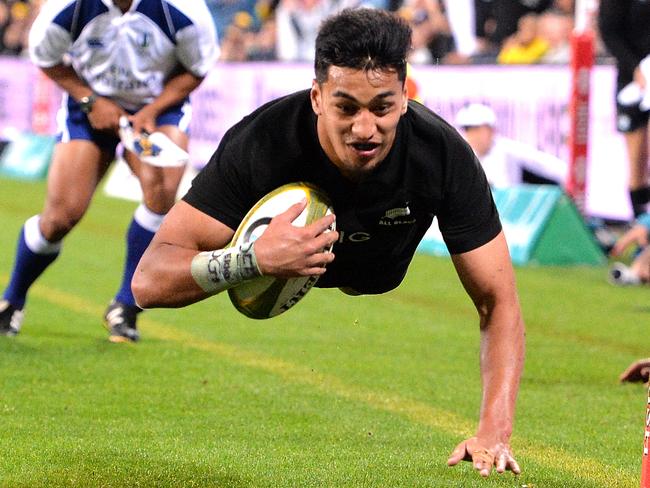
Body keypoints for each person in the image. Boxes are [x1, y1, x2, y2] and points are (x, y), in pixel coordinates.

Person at [133, 8, 526, 478]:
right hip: (277, 255)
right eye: (346, 107)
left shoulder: (441, 154)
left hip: (380, 269)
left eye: (382, 107)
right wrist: (251, 259)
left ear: (405, 97)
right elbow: (148, 282)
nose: (365, 129)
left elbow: (497, 301)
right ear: (317, 97)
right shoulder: (262, 142)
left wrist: (493, 432)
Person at [0, 0, 218, 342]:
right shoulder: (66, 8)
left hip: (158, 109)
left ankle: (126, 306)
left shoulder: (185, 9)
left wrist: (152, 110)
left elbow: (198, 67)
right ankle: (12, 300)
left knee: (161, 193)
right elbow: (45, 57)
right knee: (60, 218)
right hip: (89, 107)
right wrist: (89, 100)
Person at [598, 0, 650, 220]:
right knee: (636, 159)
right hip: (632, 79)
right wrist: (635, 67)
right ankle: (641, 226)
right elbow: (609, 31)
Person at [455, 103, 568, 188]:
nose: (472, 135)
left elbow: (507, 191)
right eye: (467, 130)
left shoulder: (508, 152)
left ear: (490, 130)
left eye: (476, 129)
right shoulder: (472, 156)